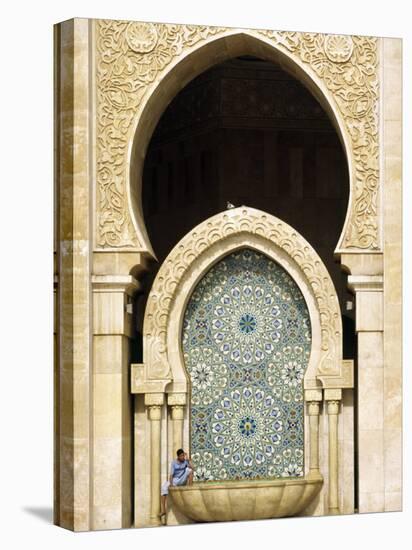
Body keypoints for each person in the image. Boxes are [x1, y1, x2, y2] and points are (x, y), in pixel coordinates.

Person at [160, 448, 194, 523]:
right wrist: (171, 485)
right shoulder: (174, 463)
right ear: (178, 456)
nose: (183, 457)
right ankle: (163, 510)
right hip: (175, 480)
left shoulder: (185, 461)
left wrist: (188, 459)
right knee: (163, 487)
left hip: (182, 478)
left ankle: (190, 488)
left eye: (183, 456)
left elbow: (193, 467)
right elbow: (171, 475)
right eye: (181, 456)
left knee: (190, 470)